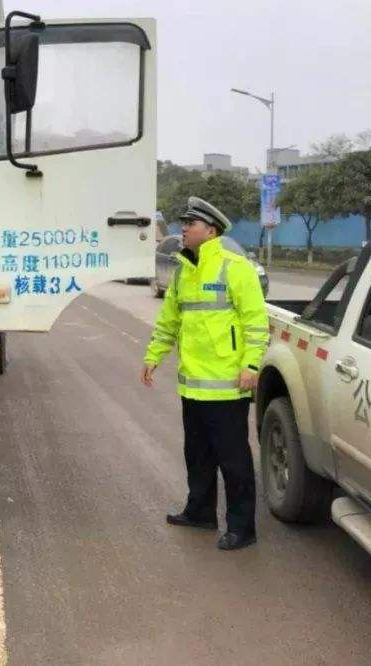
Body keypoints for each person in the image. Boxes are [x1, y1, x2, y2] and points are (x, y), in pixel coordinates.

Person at [140, 196, 269, 550]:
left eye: (190, 224)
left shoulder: (235, 268)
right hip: (193, 386)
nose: (182, 228)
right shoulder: (184, 271)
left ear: (210, 231)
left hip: (227, 386)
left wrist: (251, 365)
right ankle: (199, 512)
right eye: (183, 223)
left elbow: (256, 323)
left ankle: (242, 528)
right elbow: (169, 320)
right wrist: (153, 356)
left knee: (234, 461)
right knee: (197, 455)